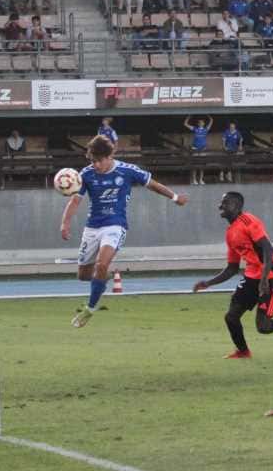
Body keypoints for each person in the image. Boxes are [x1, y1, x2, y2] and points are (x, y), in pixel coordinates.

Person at [59, 137, 188, 328]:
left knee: (102, 264)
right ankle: (105, 276)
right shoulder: (85, 174)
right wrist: (65, 223)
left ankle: (90, 308)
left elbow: (152, 184)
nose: (94, 164)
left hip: (115, 225)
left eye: (97, 160)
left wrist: (175, 197)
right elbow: (75, 200)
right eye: (91, 161)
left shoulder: (127, 171)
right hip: (92, 228)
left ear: (109, 156)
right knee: (83, 275)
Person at [192, 192, 273, 358]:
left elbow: (268, 249)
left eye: (225, 203)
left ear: (237, 206)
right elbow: (232, 268)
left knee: (263, 327)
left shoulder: (249, 221)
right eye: (220, 203)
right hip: (252, 277)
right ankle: (243, 351)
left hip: (271, 276)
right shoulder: (230, 233)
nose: (220, 206)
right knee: (231, 317)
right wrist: (208, 283)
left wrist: (265, 278)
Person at [184, 115, 212, 185]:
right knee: (195, 165)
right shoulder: (195, 129)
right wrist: (188, 118)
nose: (200, 123)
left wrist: (209, 116)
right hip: (195, 148)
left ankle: (201, 179)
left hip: (203, 149)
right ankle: (194, 180)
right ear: (198, 124)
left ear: (204, 124)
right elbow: (185, 124)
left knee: (202, 165)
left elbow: (211, 121)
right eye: (199, 122)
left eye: (202, 122)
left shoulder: (206, 129)